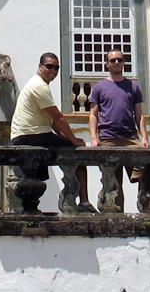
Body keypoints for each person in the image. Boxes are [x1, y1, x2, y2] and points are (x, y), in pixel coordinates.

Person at [9, 52, 92, 210]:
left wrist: (66, 138)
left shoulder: (38, 84)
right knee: (79, 155)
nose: (53, 70)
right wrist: (73, 141)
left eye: (56, 67)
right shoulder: (39, 85)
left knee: (37, 175)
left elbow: (52, 122)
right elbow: (58, 117)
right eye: (49, 66)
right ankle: (84, 201)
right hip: (31, 135)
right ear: (40, 67)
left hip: (28, 135)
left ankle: (31, 209)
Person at [87, 48, 148, 204]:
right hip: (108, 138)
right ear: (107, 64)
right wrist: (94, 138)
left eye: (119, 60)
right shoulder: (99, 87)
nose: (116, 63)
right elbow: (93, 114)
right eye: (113, 60)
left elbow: (139, 115)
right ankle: (116, 216)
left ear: (124, 63)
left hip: (130, 138)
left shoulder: (133, 87)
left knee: (145, 170)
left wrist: (144, 138)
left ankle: (146, 208)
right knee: (113, 184)